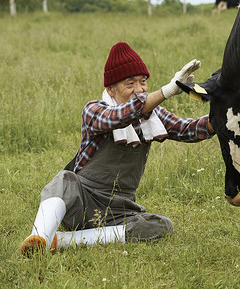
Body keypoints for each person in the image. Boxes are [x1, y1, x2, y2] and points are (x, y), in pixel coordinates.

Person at [20, 42, 214, 256]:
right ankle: (39, 237)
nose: (139, 89)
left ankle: (63, 241)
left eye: (143, 82)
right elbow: (119, 116)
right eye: (130, 84)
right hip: (82, 201)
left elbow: (189, 129)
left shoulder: (154, 115)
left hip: (120, 210)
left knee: (161, 225)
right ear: (111, 89)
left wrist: (226, 116)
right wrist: (167, 91)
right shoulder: (94, 110)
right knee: (64, 180)